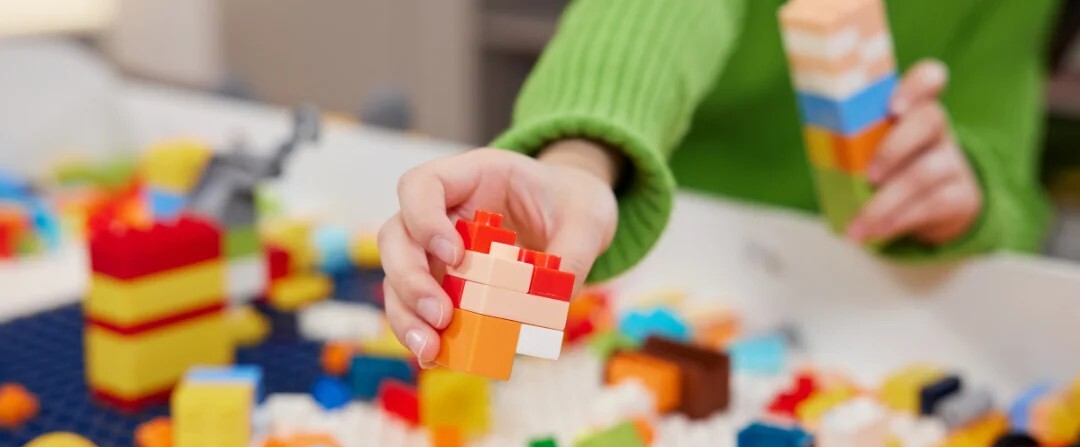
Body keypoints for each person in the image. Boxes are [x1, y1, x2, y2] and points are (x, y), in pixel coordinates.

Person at [378, 0, 1056, 364]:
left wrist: (966, 193)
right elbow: (648, 21)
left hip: (864, 298)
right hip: (669, 257)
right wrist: (575, 164)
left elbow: (1012, 186)